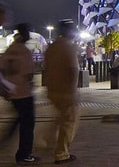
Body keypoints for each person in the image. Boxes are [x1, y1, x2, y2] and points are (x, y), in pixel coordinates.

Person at [0, 23, 41, 164]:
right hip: (24, 93)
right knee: (28, 125)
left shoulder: (10, 49)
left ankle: (5, 140)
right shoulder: (24, 51)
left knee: (19, 120)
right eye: (28, 32)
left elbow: (2, 67)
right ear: (24, 34)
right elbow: (29, 75)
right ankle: (24, 154)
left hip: (13, 92)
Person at [44, 20, 80, 164]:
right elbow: (72, 70)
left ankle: (47, 141)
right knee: (69, 122)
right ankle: (61, 153)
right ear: (68, 31)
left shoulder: (52, 47)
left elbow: (45, 68)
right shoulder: (68, 47)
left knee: (61, 119)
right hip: (66, 91)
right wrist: (73, 91)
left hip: (53, 89)